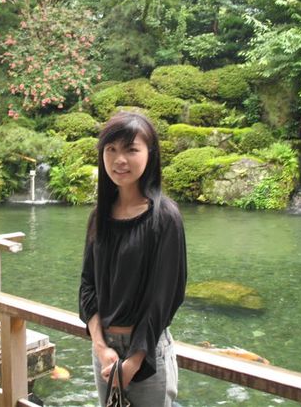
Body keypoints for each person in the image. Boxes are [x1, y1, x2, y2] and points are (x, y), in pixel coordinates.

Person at [79, 111, 187, 407]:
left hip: (147, 351)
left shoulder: (165, 218)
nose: (119, 160)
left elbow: (165, 298)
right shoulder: (99, 216)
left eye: (131, 150)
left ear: (150, 154)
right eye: (111, 149)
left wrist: (135, 360)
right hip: (105, 351)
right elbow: (88, 286)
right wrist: (101, 347)